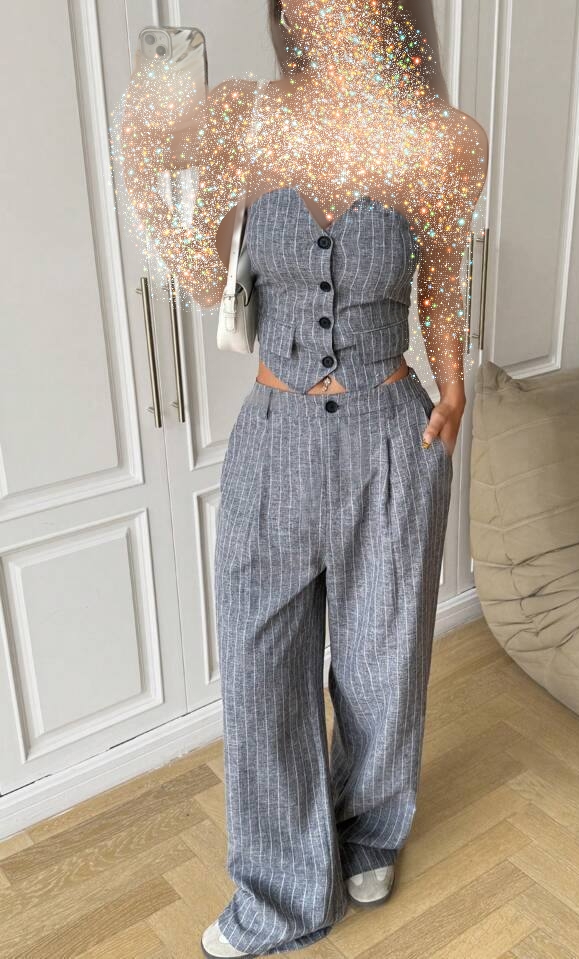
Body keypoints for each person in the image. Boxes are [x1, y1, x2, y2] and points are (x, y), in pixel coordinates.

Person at [118, 1, 487, 954]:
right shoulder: (248, 119)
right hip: (274, 435)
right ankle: (279, 897)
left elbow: (443, 275)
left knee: (381, 662)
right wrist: (148, 164)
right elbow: (208, 277)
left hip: (391, 435)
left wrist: (454, 380)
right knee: (261, 672)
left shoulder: (441, 141)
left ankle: (369, 831)